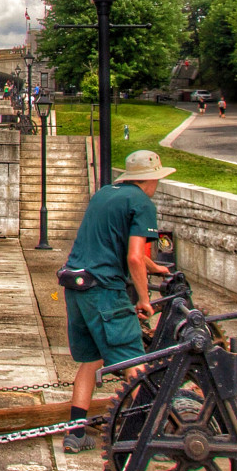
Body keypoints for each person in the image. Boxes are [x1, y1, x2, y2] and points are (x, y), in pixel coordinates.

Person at [57, 149, 172, 453]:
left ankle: (75, 434)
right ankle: (152, 439)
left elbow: (111, 243)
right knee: (134, 363)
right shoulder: (142, 203)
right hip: (105, 291)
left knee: (91, 361)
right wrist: (144, 299)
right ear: (150, 179)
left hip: (76, 285)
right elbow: (134, 256)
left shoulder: (104, 194)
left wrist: (153, 267)